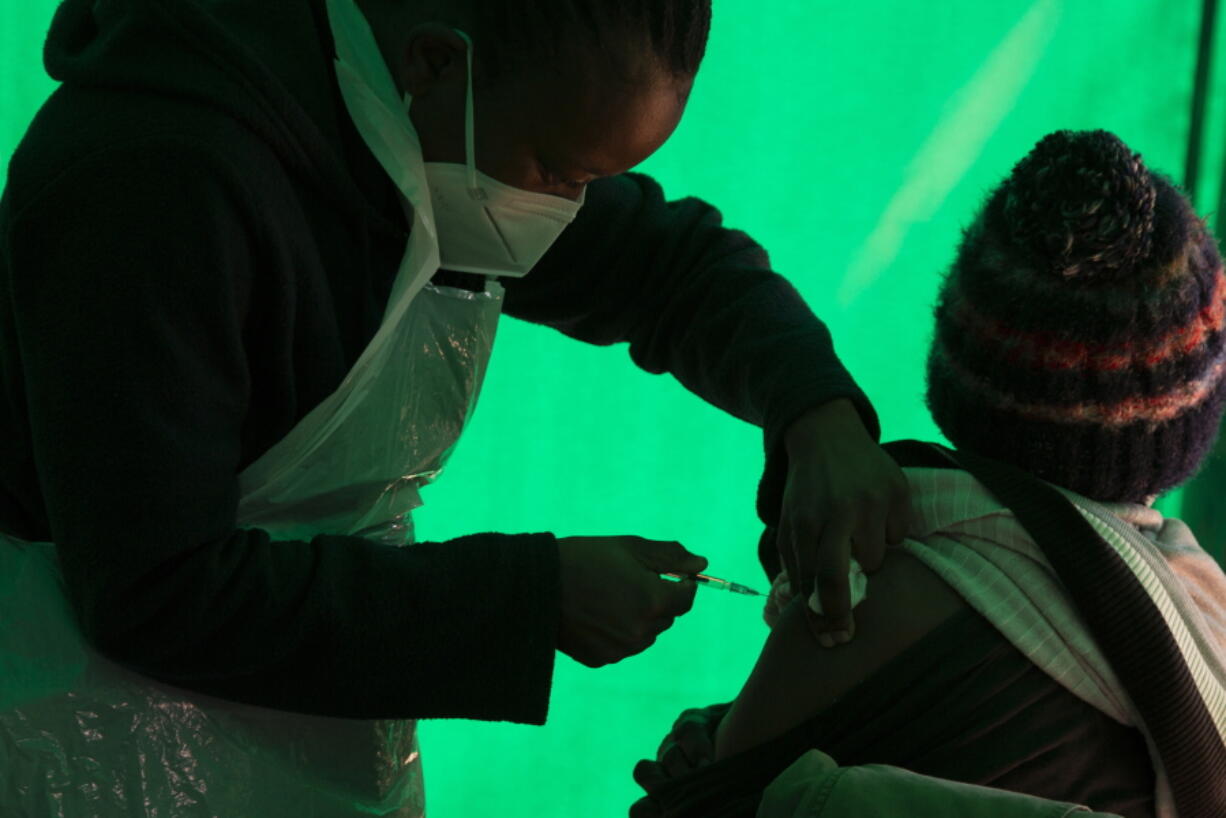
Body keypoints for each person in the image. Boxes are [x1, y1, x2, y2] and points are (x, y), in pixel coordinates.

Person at [0, 0, 911, 814]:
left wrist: (813, 409)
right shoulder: (156, 181)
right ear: (435, 63)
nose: (568, 209)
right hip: (71, 730)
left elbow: (666, 268)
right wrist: (526, 601)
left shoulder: (452, 132)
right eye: (561, 170)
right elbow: (158, 591)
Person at [631, 129, 1226, 818]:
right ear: (1186, 420)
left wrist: (708, 747)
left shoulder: (860, 587)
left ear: (960, 365)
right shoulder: (1202, 621)